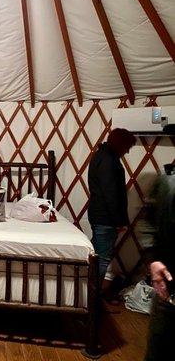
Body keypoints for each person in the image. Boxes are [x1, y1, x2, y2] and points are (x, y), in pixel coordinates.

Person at [87, 128, 136, 300]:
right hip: (105, 218)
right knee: (101, 260)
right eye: (127, 146)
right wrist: (118, 221)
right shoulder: (108, 160)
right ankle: (91, 299)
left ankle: (88, 295)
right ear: (119, 143)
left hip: (99, 214)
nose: (127, 151)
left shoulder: (101, 156)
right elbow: (111, 193)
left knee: (95, 256)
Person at [144, 169, 175, 360]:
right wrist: (154, 260)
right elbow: (147, 221)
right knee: (160, 345)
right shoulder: (167, 183)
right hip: (169, 284)